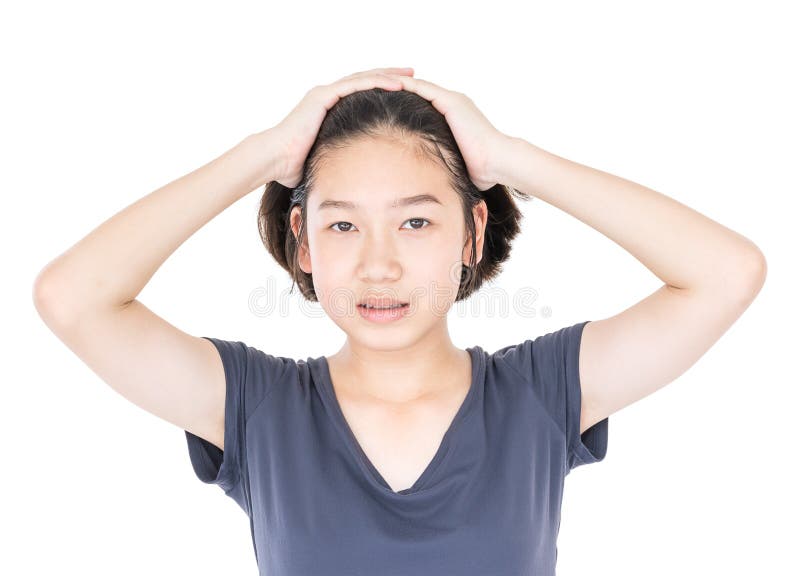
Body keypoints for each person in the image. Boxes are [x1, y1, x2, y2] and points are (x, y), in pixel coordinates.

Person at [32, 67, 767, 575]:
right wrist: (267, 153)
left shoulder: (540, 395)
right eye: (343, 226)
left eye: (415, 222)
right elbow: (73, 298)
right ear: (302, 241)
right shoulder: (256, 408)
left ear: (472, 234)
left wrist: (507, 156)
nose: (378, 266)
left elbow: (728, 274)